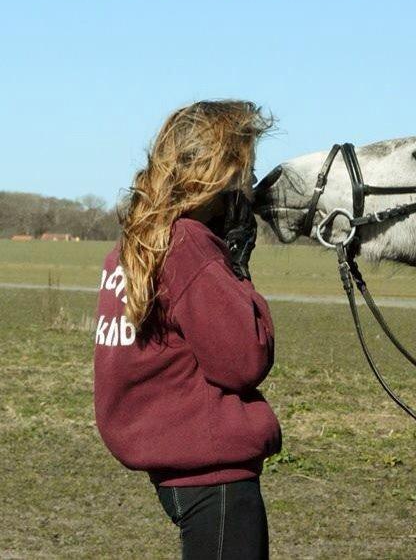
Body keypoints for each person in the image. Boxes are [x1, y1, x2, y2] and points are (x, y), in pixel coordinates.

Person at [93, 100, 279, 559]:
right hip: (214, 478)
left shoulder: (139, 242)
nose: (251, 184)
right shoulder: (190, 245)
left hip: (176, 464)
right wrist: (237, 269)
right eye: (246, 169)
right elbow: (244, 360)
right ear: (220, 171)